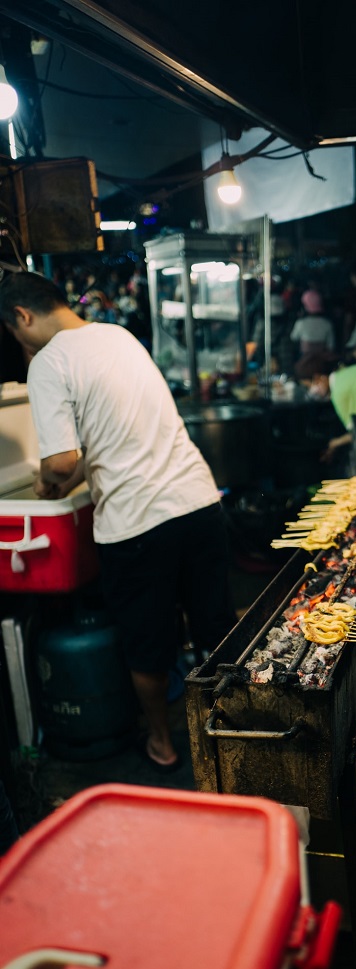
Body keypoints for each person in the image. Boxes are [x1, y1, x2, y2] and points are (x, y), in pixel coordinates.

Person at [0, 272, 235, 773]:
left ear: (22, 316)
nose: (20, 343)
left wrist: (48, 483)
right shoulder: (118, 335)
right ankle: (234, 731)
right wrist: (71, 473)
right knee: (215, 624)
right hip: (197, 501)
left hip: (137, 524)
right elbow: (112, 435)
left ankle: (162, 744)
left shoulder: (48, 362)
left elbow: (62, 461)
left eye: (15, 333)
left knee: (146, 642)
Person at [289, 289, 335, 359]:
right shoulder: (327, 324)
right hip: (322, 360)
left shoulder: (301, 323)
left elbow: (294, 338)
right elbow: (331, 345)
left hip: (304, 359)